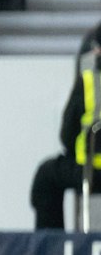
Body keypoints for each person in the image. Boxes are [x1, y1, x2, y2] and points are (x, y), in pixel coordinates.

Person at [32, 27, 101, 230]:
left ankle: (51, 250)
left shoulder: (89, 82)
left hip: (92, 171)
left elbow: (67, 136)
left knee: (46, 176)